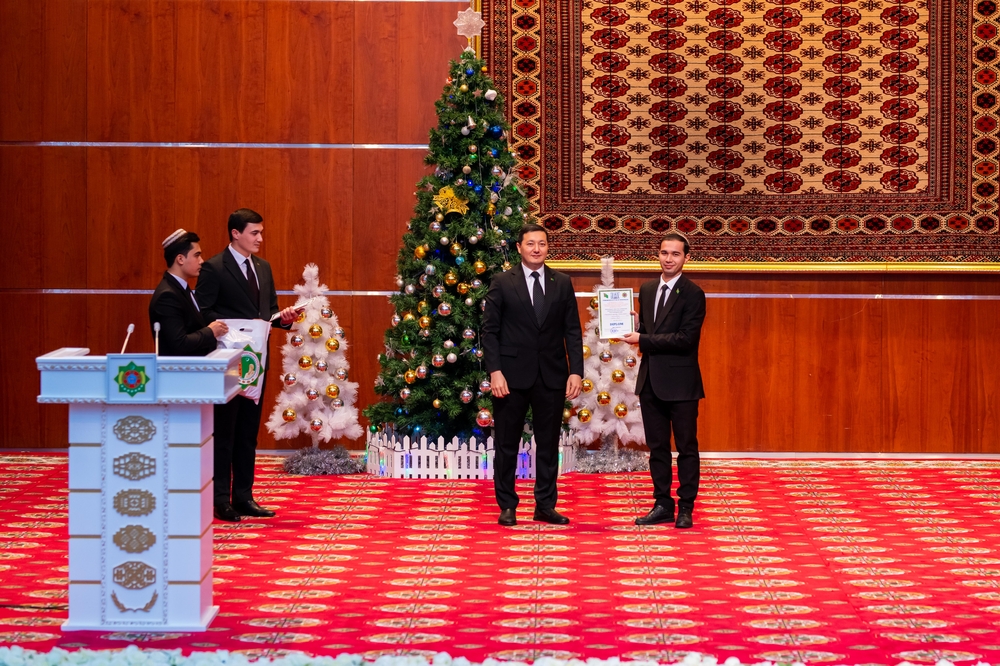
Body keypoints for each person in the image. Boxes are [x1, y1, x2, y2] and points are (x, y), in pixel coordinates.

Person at [196, 208, 298, 523]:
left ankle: (244, 496)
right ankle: (220, 499)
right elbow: (203, 312)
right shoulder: (214, 268)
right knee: (224, 430)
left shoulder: (263, 268)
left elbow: (266, 313)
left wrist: (284, 319)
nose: (260, 239)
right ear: (235, 233)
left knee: (247, 431)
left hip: (257, 360)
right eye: (254, 232)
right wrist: (231, 329)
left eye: (261, 232)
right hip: (228, 361)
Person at [482, 223, 584, 526]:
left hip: (552, 375)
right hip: (511, 376)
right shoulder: (502, 281)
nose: (536, 249)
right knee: (507, 444)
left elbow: (572, 331)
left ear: (548, 247)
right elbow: (490, 332)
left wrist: (576, 371)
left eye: (542, 243)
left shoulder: (562, 282)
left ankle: (545, 505)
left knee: (549, 444)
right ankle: (507, 505)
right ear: (519, 248)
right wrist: (495, 372)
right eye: (530, 244)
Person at [620, 232, 707, 529]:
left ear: (686, 258)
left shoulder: (693, 293)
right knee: (657, 448)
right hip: (650, 382)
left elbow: (685, 339)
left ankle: (686, 506)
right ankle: (662, 504)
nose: (668, 259)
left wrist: (643, 336)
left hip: (682, 384)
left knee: (686, 447)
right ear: (657, 255)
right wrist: (634, 325)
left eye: (675, 254)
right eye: (664, 253)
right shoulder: (646, 289)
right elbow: (650, 330)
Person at [149, 229, 228, 356]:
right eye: (197, 255)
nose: (201, 261)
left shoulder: (182, 289)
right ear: (180, 259)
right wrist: (210, 331)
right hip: (180, 372)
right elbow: (179, 343)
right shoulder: (167, 296)